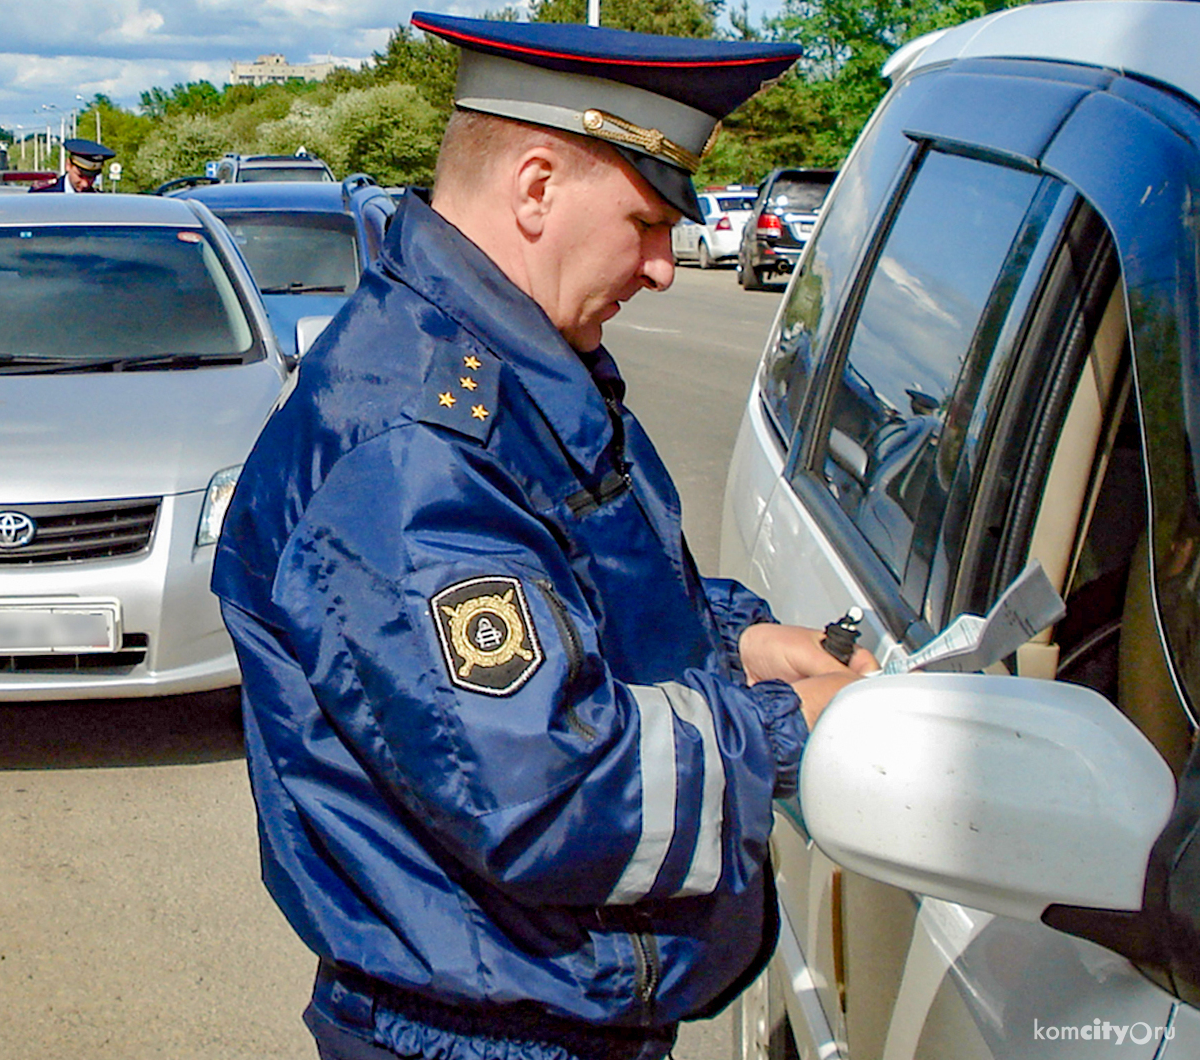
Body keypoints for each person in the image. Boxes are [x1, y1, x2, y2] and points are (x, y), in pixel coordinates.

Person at [209, 14, 877, 1060]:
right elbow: (541, 788)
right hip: (481, 1033)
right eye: (647, 220)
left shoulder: (501, 361)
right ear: (534, 188)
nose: (665, 264)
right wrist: (785, 728)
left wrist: (733, 640)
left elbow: (573, 594)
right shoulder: (416, 447)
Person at [29, 137, 114, 193]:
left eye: (91, 177)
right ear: (68, 165)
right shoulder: (44, 195)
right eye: (80, 176)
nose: (85, 184)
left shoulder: (99, 200)